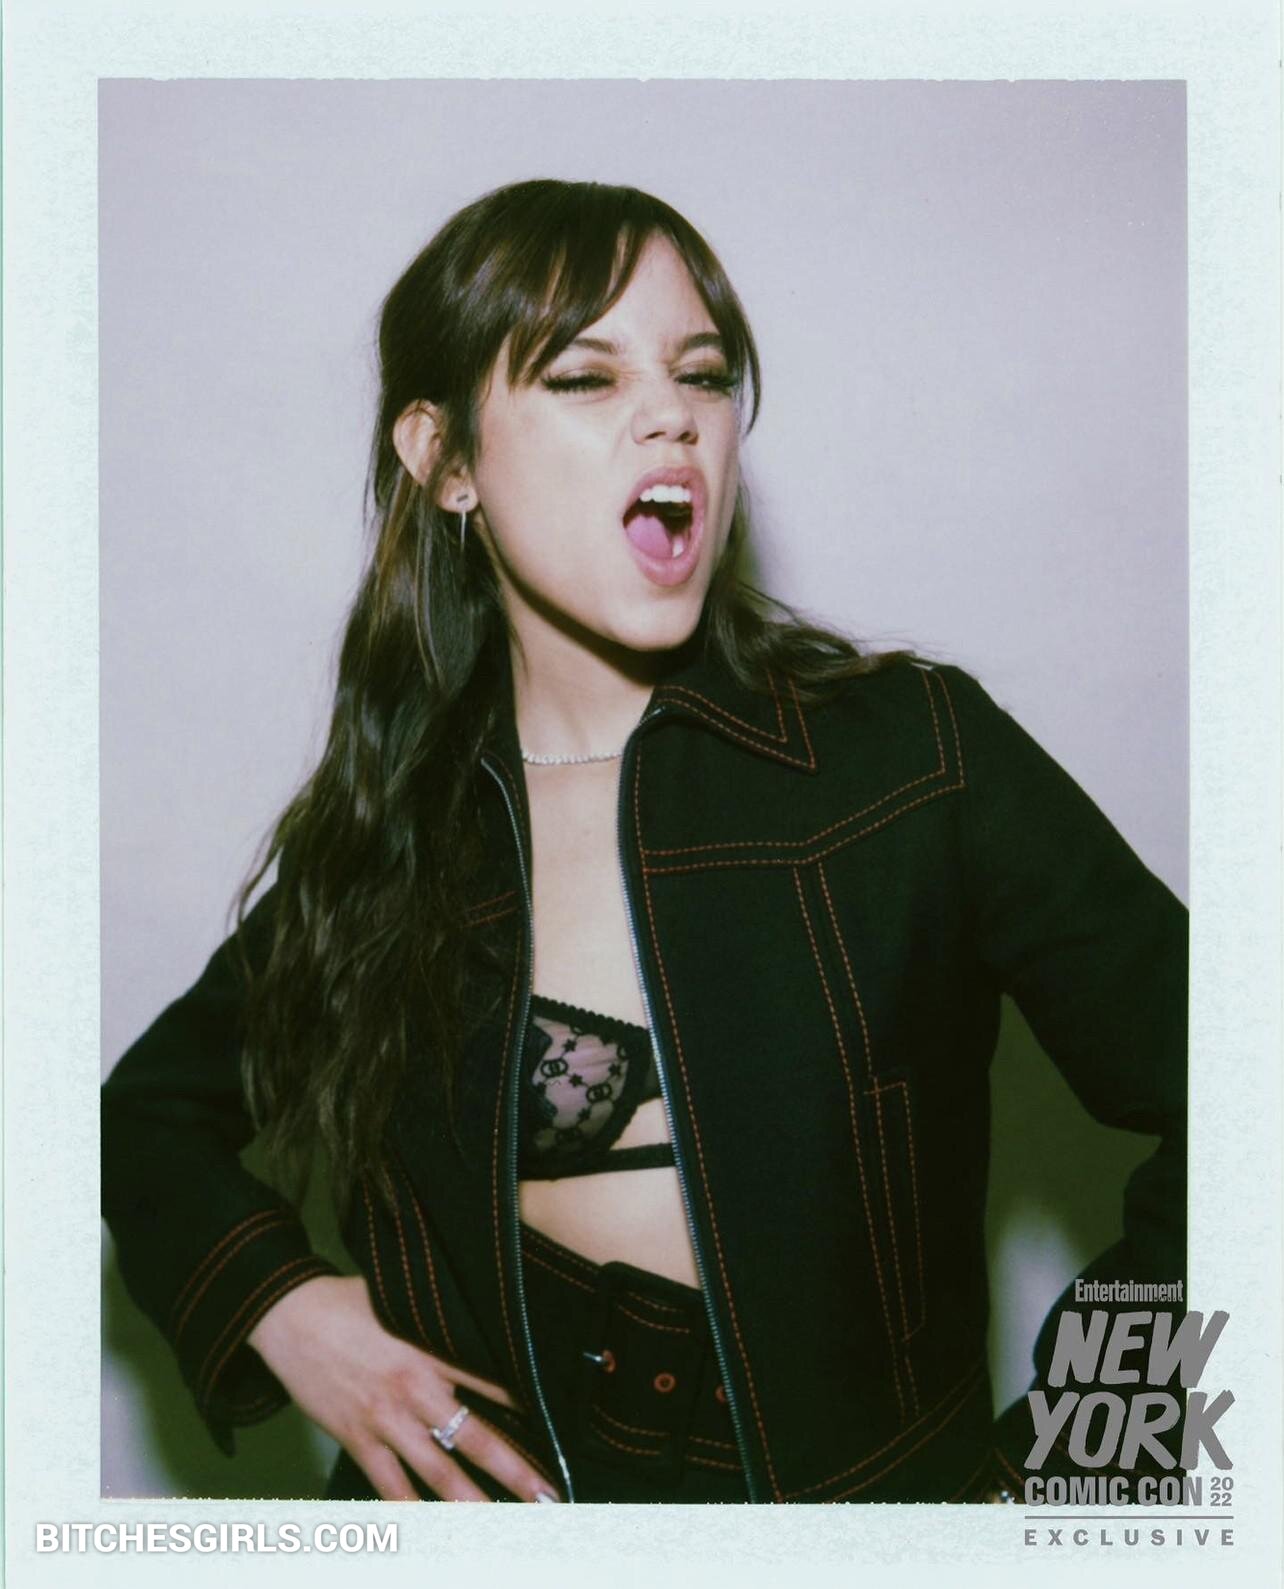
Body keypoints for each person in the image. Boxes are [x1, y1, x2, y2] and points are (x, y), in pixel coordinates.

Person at [101, 178, 1187, 1505]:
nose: (672, 414)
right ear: (444, 460)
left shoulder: (913, 758)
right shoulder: (400, 837)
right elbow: (146, 1119)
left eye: (702, 372)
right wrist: (279, 1304)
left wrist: (1067, 1492)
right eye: (586, 375)